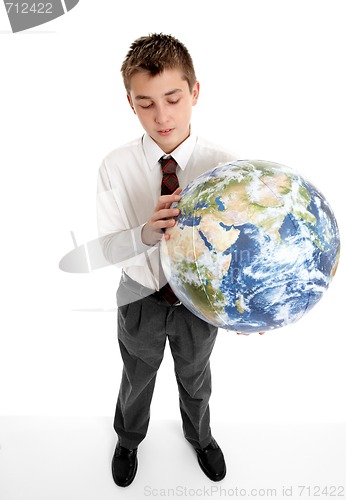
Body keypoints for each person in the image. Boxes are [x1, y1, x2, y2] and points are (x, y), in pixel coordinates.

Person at [97, 33, 262, 488]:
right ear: (130, 103)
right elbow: (108, 247)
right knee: (136, 375)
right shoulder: (116, 166)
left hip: (198, 303)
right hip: (139, 296)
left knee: (195, 376)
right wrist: (146, 233)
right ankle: (128, 439)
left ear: (194, 92)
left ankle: (201, 436)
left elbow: (247, 247)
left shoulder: (227, 166)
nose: (162, 115)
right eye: (146, 103)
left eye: (172, 98)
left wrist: (249, 305)